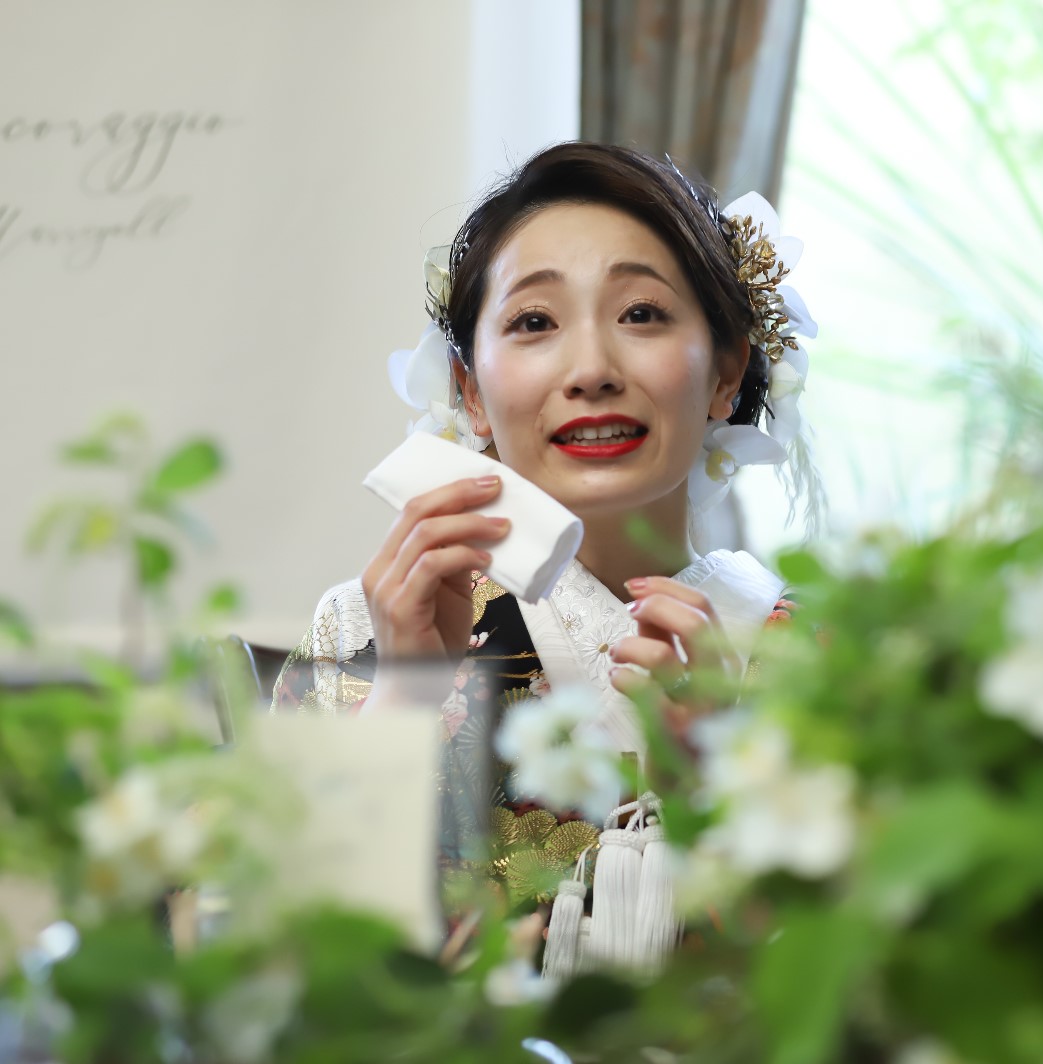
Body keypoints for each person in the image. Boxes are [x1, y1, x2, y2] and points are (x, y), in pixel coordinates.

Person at [270, 141, 816, 908]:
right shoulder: (367, 631)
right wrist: (404, 697)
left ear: (726, 373)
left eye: (641, 314)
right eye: (534, 321)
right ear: (470, 393)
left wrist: (711, 787)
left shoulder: (817, 658)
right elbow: (271, 942)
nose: (591, 370)